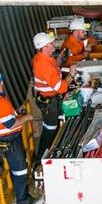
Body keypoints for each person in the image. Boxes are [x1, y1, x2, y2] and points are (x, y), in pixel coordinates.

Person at [0, 68, 33, 204]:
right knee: (20, 171)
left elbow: (2, 117)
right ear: (2, 82)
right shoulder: (0, 102)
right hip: (10, 140)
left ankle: (22, 195)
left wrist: (17, 112)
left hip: (2, 140)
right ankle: (22, 203)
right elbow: (11, 124)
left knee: (17, 169)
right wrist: (27, 117)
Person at [32, 32, 77, 160]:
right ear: (44, 47)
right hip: (50, 104)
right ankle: (41, 159)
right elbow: (61, 88)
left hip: (46, 99)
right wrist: (71, 75)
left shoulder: (41, 58)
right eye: (51, 43)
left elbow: (53, 69)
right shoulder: (44, 64)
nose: (53, 45)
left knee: (50, 127)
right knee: (50, 130)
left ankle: (45, 154)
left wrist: (60, 61)